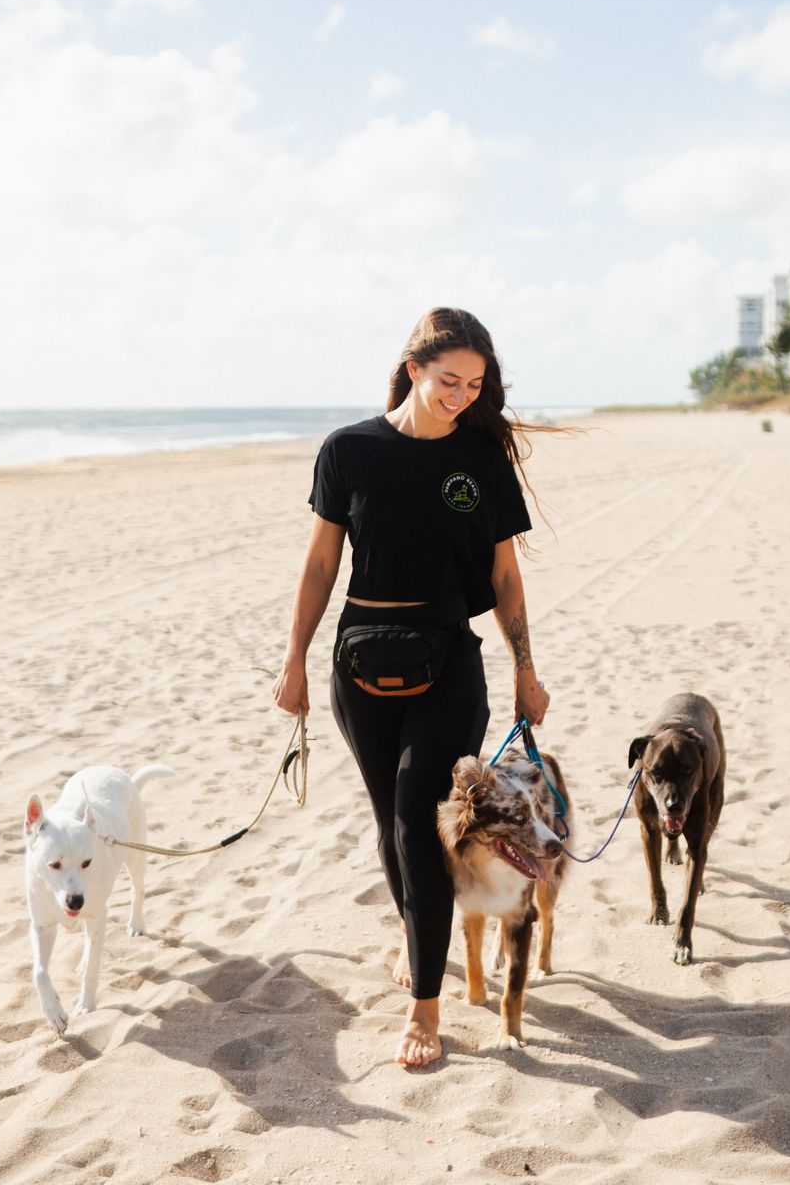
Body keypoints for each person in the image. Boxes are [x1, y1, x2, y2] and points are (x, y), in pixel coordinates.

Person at [273, 307, 551, 1069]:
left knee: (416, 822)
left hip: (449, 667)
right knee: (388, 821)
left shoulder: (481, 460)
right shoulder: (349, 450)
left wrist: (525, 669)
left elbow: (503, 575)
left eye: (475, 384)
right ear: (413, 368)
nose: (462, 394)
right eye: (448, 379)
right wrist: (294, 658)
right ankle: (416, 932)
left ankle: (425, 1008)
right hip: (358, 664)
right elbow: (322, 565)